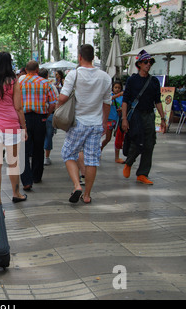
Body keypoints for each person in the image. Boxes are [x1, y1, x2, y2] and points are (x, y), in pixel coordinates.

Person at [58, 44, 111, 204]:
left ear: (80, 57)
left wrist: (57, 107)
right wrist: (104, 122)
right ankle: (87, 195)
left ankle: (76, 186)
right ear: (93, 57)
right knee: (92, 160)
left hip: (78, 123)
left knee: (68, 154)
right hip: (96, 124)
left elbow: (62, 98)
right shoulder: (105, 77)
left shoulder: (73, 75)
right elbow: (107, 102)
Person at [0, 52, 28, 206]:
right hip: (11, 126)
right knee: (13, 162)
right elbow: (18, 107)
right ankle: (16, 193)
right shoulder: (14, 82)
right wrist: (24, 128)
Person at [121, 50, 166, 185]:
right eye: (146, 62)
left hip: (149, 115)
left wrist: (163, 119)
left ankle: (142, 173)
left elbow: (157, 101)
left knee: (149, 144)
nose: (148, 65)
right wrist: (124, 118)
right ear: (139, 64)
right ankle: (129, 163)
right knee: (137, 141)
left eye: (150, 62)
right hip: (135, 115)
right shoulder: (132, 80)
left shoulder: (153, 81)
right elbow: (125, 100)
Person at [19, 60, 57, 191]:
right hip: (40, 118)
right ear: (37, 69)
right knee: (38, 147)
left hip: (24, 118)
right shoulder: (46, 83)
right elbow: (53, 103)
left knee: (24, 148)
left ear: (26, 69)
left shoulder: (19, 83)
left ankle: (26, 179)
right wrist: (47, 115)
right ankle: (36, 176)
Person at [38, 68, 58, 166]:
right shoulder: (51, 86)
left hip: (38, 114)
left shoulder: (35, 85)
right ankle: (46, 157)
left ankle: (37, 155)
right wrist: (49, 114)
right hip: (49, 114)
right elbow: (54, 103)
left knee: (37, 135)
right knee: (48, 135)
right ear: (47, 76)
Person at [101, 80, 124, 163]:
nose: (117, 89)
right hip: (109, 119)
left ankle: (117, 157)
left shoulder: (122, 97)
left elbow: (124, 105)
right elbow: (108, 100)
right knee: (107, 138)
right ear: (112, 88)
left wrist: (122, 109)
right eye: (115, 87)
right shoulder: (110, 95)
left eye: (119, 88)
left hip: (118, 119)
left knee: (118, 138)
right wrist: (118, 95)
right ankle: (100, 149)